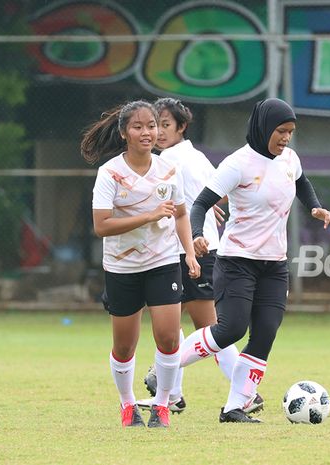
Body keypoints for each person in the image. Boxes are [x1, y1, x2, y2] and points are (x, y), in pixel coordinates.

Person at [179, 98, 330, 423]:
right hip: (237, 261)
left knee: (265, 332)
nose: (285, 138)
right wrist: (197, 234)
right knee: (231, 329)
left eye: (290, 132)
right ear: (263, 127)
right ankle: (167, 365)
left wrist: (314, 207)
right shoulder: (238, 164)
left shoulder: (290, 159)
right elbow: (199, 204)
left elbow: (301, 182)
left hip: (274, 265)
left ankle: (234, 407)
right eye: (280, 131)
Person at [137, 98, 264, 415]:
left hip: (192, 250)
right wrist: (205, 212)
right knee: (171, 321)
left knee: (210, 327)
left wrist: (197, 233)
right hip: (187, 248)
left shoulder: (170, 159)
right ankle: (174, 394)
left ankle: (247, 394)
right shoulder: (195, 156)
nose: (159, 131)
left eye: (165, 125)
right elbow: (220, 192)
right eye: (155, 125)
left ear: (181, 127)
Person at [80, 100, 201, 428]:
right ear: (124, 133)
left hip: (162, 262)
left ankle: (161, 405)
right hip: (122, 267)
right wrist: (148, 216)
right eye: (139, 127)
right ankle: (127, 403)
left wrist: (188, 252)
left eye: (154, 125)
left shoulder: (168, 170)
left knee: (169, 338)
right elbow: (101, 226)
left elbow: (180, 213)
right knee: (124, 345)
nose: (149, 132)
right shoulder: (110, 174)